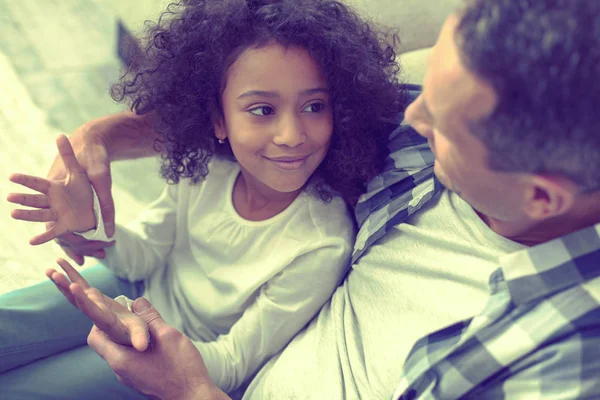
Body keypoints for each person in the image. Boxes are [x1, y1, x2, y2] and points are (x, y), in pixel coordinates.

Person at [9, 0, 600, 399]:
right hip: (158, 297)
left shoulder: (554, 362)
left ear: (542, 196)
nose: (411, 116)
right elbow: (238, 107)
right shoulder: (428, 142)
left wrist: (190, 390)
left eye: (440, 122)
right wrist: (97, 141)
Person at [1, 0, 403, 397]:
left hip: (176, 358)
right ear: (218, 120)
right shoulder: (206, 171)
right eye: (262, 109)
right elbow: (143, 257)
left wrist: (142, 334)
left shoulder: (321, 244)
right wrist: (88, 227)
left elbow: (231, 364)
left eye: (314, 106)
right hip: (140, 287)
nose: (292, 135)